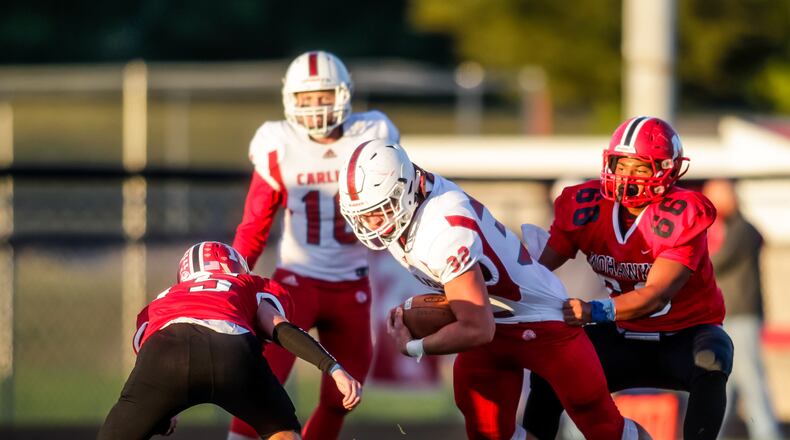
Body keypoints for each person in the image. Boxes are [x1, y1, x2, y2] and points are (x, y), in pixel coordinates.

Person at [338, 139, 650, 440]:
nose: (371, 223)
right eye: (362, 215)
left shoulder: (442, 229)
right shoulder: (413, 192)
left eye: (380, 209)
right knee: (487, 433)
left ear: (406, 188)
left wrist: (414, 347)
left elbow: (477, 327)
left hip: (542, 320)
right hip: (493, 319)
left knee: (605, 428)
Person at [522, 116, 734, 440]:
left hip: (682, 336)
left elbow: (656, 295)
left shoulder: (682, 214)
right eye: (622, 165)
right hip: (621, 336)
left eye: (640, 168)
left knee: (713, 356)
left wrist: (593, 311)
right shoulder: (587, 206)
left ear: (668, 170)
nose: (627, 177)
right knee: (551, 366)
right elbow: (538, 266)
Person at [228, 50, 399, 440]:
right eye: (306, 99)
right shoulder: (280, 143)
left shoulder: (372, 135)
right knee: (262, 383)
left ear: (343, 95)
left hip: (352, 285)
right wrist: (231, 276)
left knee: (343, 397)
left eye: (322, 95)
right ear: (291, 99)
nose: (315, 107)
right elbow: (255, 225)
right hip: (296, 283)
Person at [98, 241, 362, 440]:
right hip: (231, 350)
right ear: (236, 268)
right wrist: (333, 369)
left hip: (164, 352)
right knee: (283, 432)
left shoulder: (163, 299)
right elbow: (280, 328)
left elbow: (146, 358)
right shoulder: (245, 284)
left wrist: (162, 412)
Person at [703, 178, 782, 439]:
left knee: (752, 381)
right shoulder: (730, 229)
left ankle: (767, 433)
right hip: (728, 317)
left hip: (741, 316)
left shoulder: (742, 230)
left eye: (714, 197)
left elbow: (716, 261)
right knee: (724, 384)